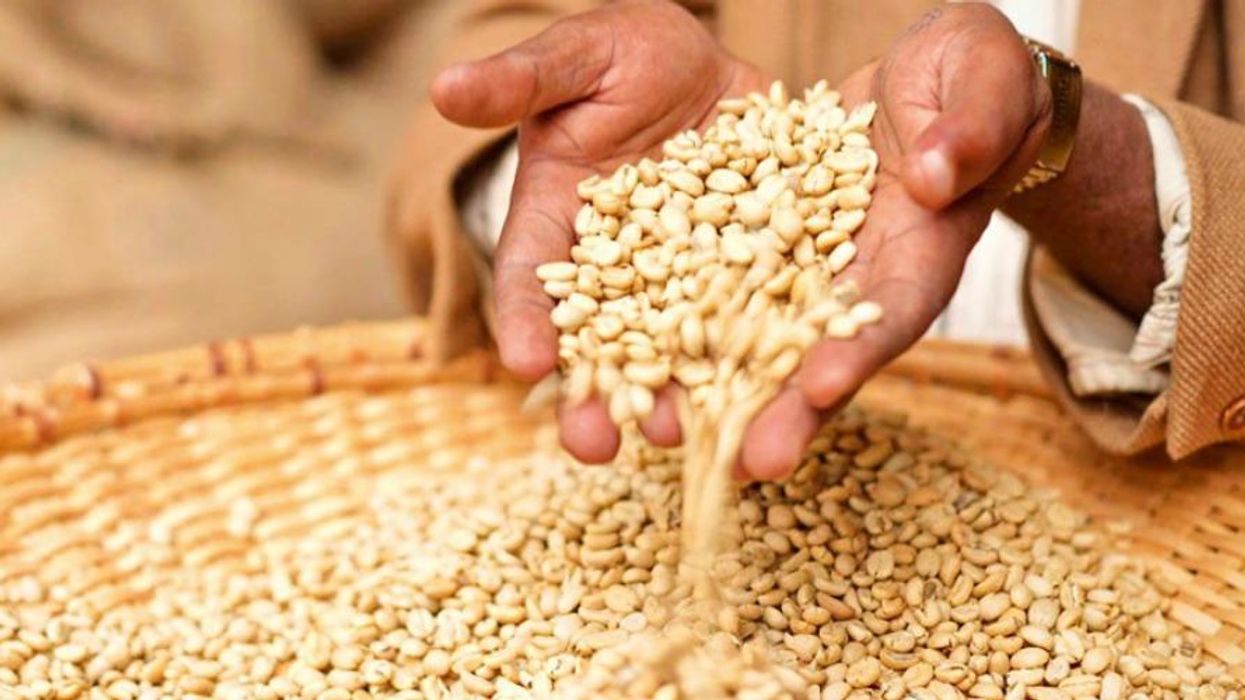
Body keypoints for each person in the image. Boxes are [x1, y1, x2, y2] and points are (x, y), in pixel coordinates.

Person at [388, 0, 1245, 479]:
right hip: (724, 458)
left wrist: (1077, 152)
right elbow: (513, 31)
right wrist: (571, 169)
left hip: (1162, 489)